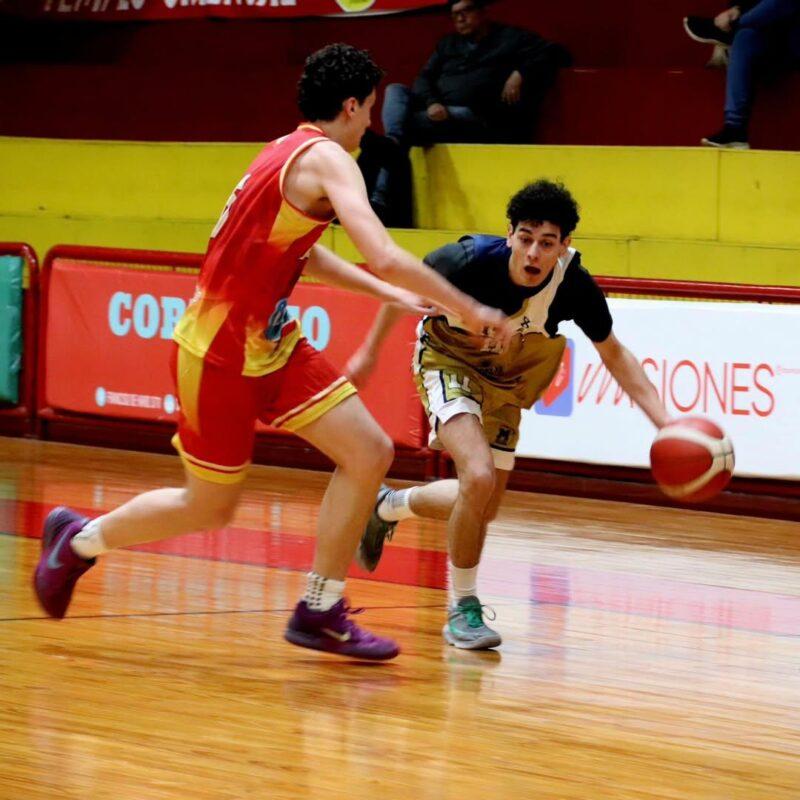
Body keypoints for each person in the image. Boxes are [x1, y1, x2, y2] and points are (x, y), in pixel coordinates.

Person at [32, 43, 513, 662]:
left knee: (369, 451)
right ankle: (78, 541)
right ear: (350, 105)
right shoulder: (330, 159)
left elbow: (304, 255)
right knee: (209, 506)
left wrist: (387, 294)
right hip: (218, 352)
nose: (371, 123)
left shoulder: (285, 151)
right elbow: (384, 253)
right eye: (370, 109)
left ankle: (320, 609)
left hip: (272, 341)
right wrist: (469, 307)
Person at [346, 180, 672, 650]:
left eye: (547, 243)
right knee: (477, 476)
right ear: (509, 234)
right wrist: (370, 352)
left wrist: (665, 422)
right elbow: (402, 286)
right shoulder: (467, 260)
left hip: (506, 379)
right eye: (525, 238)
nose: (534, 252)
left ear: (565, 245)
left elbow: (614, 354)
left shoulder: (573, 286)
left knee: (484, 505)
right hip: (447, 359)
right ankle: (463, 608)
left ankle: (387, 506)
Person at [381, 0, 571, 148]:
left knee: (405, 123)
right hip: (438, 109)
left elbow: (555, 52)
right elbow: (424, 77)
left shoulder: (509, 37)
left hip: (476, 114)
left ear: (483, 12)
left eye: (466, 12)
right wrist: (432, 102)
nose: (460, 19)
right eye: (455, 15)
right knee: (394, 90)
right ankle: (393, 141)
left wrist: (520, 73)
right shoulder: (448, 43)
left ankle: (393, 143)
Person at [684, 1, 800, 148]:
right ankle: (735, 130)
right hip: (777, 42)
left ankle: (730, 30)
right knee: (745, 38)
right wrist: (738, 9)